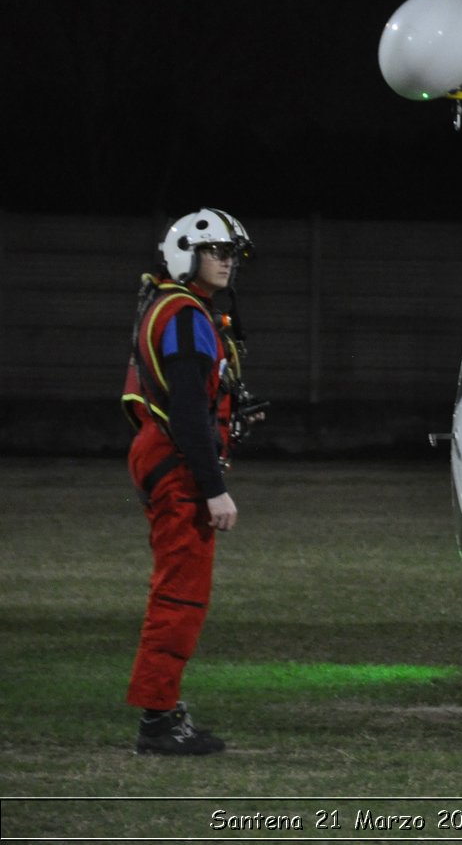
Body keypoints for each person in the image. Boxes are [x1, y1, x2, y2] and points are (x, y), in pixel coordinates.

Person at [121, 208, 255, 756]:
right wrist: (212, 487)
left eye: (231, 253)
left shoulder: (175, 308)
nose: (226, 261)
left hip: (166, 455)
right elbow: (188, 411)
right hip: (176, 463)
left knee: (180, 591)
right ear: (187, 252)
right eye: (216, 251)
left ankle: (162, 709)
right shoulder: (182, 313)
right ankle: (157, 720)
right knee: (180, 593)